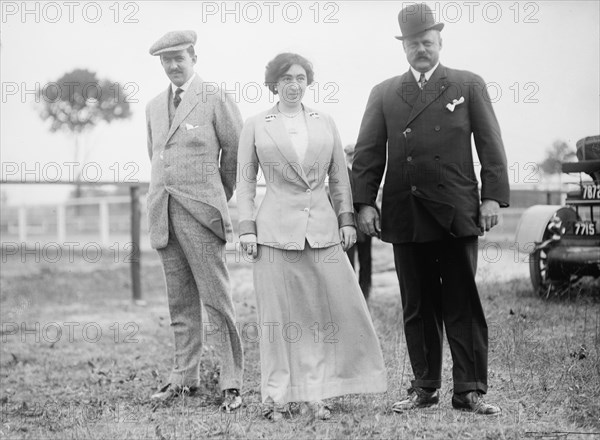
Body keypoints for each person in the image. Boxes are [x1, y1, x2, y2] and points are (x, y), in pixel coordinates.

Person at [352, 4, 509, 415]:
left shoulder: (468, 85)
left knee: (462, 300)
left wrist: (491, 196)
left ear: (439, 42)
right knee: (417, 304)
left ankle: (469, 390)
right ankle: (424, 388)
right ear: (403, 48)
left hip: (456, 210)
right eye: (413, 44)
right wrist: (365, 202)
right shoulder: (384, 92)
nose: (420, 49)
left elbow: (491, 145)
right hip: (405, 211)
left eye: (427, 42)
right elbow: (368, 154)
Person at [236, 53, 387, 421]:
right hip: (273, 234)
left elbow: (339, 177)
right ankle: (276, 396)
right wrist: (246, 228)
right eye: (286, 77)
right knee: (278, 318)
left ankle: (317, 394)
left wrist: (346, 219)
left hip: (322, 231)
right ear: (274, 83)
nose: (294, 83)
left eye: (301, 77)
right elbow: (244, 182)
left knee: (322, 315)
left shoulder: (325, 122)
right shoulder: (256, 124)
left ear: (309, 82)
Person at [145, 30, 244, 412]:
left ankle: (232, 382)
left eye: (178, 59)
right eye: (166, 60)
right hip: (164, 215)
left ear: (193, 58)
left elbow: (235, 155)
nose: (172, 66)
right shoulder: (154, 106)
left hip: (202, 216)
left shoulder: (214, 97)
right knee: (180, 304)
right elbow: (157, 159)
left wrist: (214, 197)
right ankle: (184, 378)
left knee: (217, 303)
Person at [344, 143, 373, 301]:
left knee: (366, 260)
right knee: (349, 261)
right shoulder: (342, 173)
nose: (352, 157)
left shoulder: (363, 172)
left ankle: (365, 292)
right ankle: (352, 295)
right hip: (350, 224)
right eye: (350, 154)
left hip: (364, 225)